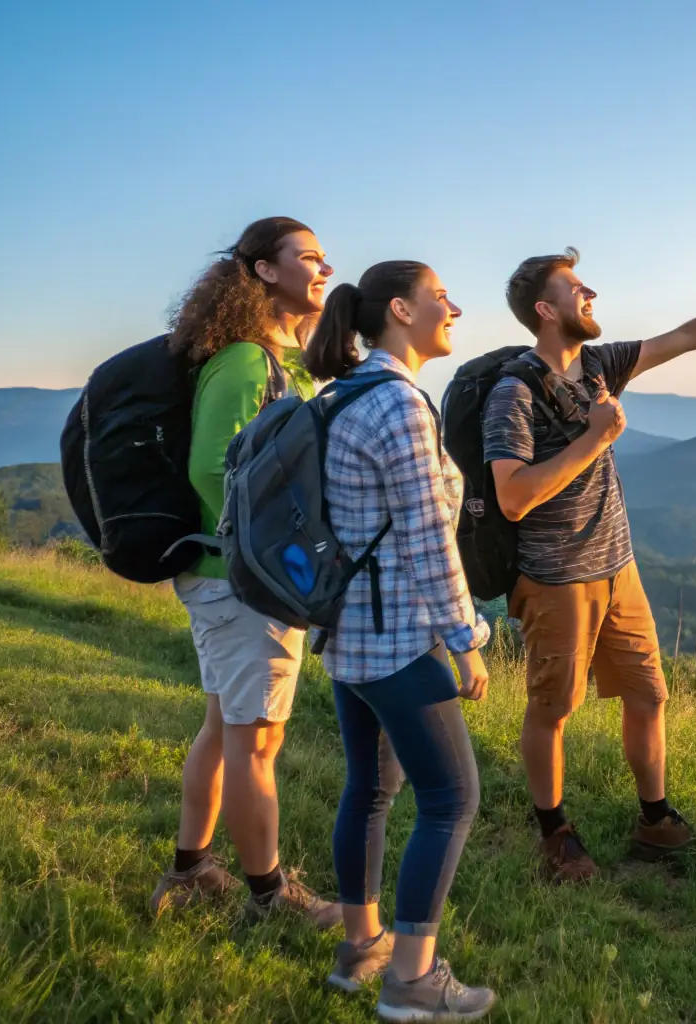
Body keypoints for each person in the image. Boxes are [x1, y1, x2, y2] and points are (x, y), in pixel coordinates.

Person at [484, 248, 696, 881]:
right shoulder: (513, 395)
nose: (591, 295)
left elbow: (687, 337)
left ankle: (655, 820)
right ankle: (554, 832)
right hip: (556, 579)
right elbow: (513, 494)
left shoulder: (600, 364)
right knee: (552, 710)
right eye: (577, 289)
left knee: (648, 695)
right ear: (545, 309)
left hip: (619, 568)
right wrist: (596, 438)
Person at [303, 260, 496, 1020]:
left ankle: (361, 949)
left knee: (372, 791)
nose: (454, 306)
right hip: (396, 638)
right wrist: (465, 637)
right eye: (440, 297)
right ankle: (412, 981)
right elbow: (425, 538)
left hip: (348, 633)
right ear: (400, 310)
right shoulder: (398, 408)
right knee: (450, 798)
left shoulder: (345, 391)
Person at [150, 217, 344, 927]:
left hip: (237, 577)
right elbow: (211, 466)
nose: (323, 268)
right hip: (242, 580)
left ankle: (190, 869)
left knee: (224, 727)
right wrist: (271, 546)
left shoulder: (285, 363)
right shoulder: (243, 361)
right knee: (254, 741)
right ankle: (270, 899)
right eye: (309, 258)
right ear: (265, 272)